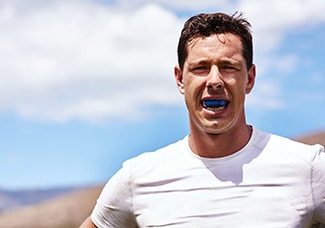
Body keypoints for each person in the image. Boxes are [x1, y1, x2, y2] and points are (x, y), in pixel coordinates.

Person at [80, 12, 325, 227]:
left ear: (249, 78)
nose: (215, 80)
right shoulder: (137, 178)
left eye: (229, 67)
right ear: (180, 79)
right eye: (200, 68)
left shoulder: (308, 167)